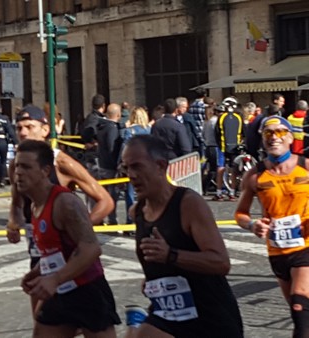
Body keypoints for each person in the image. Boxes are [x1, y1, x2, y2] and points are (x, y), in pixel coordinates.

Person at [120, 134, 243, 338]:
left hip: (210, 319)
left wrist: (171, 256)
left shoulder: (188, 204)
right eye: (126, 168)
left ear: (160, 166)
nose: (131, 175)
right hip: (168, 316)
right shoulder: (137, 212)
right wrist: (154, 280)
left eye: (137, 166)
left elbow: (221, 262)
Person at [6, 105, 114, 317]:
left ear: (45, 130)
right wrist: (13, 222)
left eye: (29, 126)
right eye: (19, 128)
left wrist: (77, 229)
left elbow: (106, 201)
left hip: (71, 258)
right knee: (42, 321)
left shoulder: (61, 162)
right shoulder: (16, 165)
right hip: (40, 255)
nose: (23, 132)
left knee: (87, 320)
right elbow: (17, 201)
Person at [15, 139, 121, 337]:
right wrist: (37, 272)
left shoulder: (65, 203)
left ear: (46, 171)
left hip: (87, 291)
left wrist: (54, 279)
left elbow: (91, 249)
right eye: (17, 166)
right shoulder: (35, 204)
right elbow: (57, 251)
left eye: (26, 167)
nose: (19, 172)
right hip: (59, 291)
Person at [235, 115, 309, 338]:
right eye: (268, 133)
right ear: (262, 139)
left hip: (306, 247)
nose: (274, 137)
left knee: (299, 303)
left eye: (279, 132)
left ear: (289, 137)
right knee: (301, 312)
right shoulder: (255, 175)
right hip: (277, 251)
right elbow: (240, 214)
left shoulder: (305, 166)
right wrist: (252, 225)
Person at [121, 107, 151, 224]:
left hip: (133, 166)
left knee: (130, 193)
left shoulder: (130, 131)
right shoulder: (149, 129)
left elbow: (124, 149)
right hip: (147, 165)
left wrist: (121, 164)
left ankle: (130, 220)